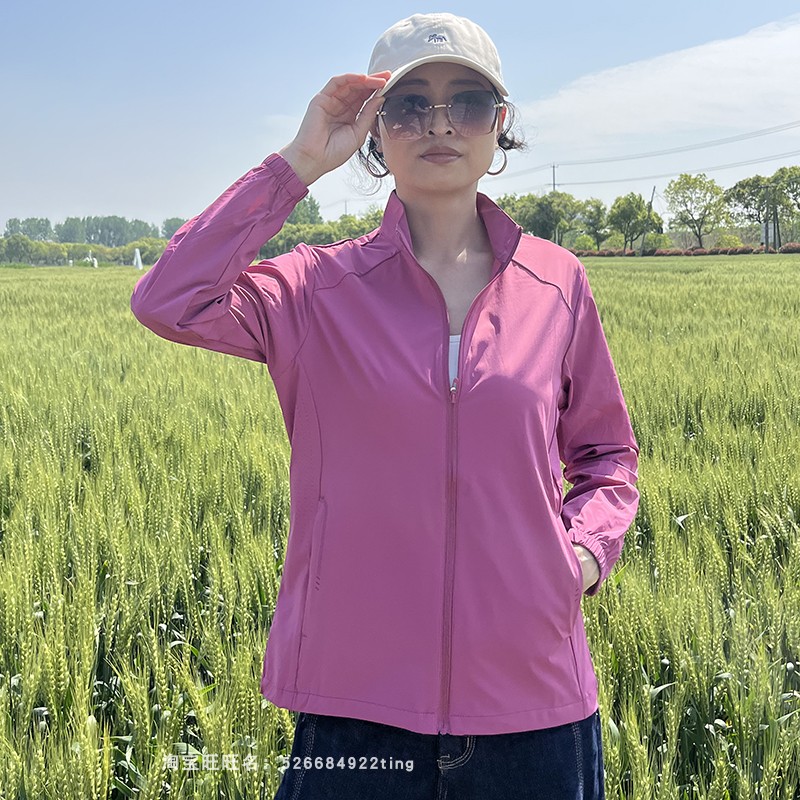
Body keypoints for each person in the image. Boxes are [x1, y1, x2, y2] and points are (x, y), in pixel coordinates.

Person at [130, 12, 639, 799]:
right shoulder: (313, 289)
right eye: (408, 105)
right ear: (373, 130)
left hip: (533, 707)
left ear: (498, 125)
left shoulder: (558, 283)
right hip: (353, 707)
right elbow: (169, 299)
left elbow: (607, 456)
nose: (439, 123)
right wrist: (298, 163)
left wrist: (577, 559)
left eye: (467, 102)